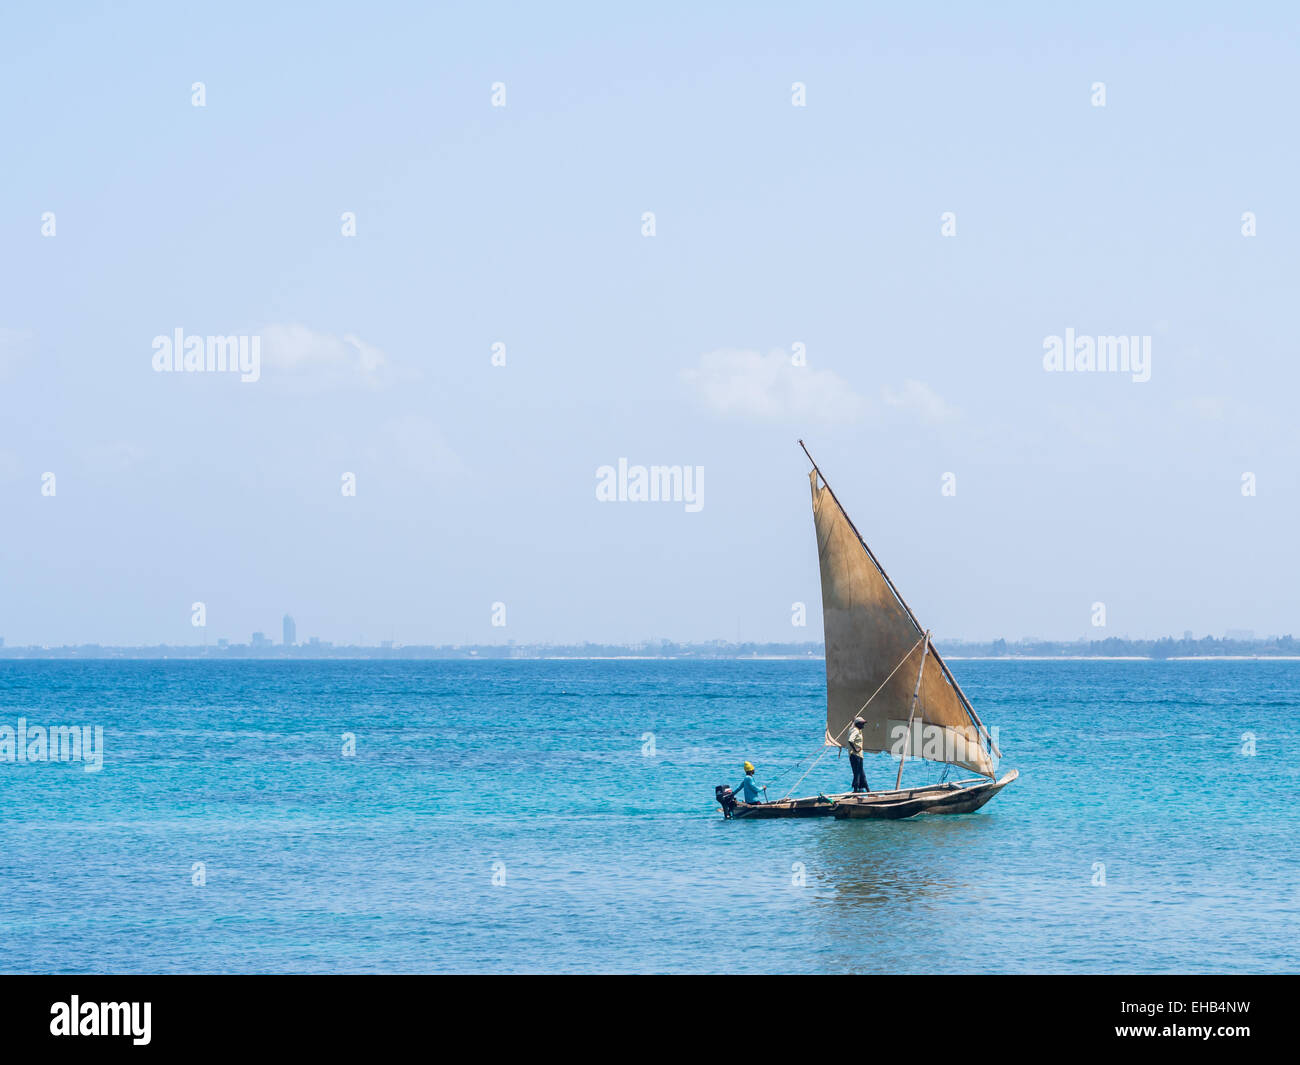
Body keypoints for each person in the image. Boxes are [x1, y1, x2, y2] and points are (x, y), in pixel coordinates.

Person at [847, 717, 870, 793]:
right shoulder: (856, 731)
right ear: (858, 724)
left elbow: (852, 726)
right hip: (856, 755)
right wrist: (855, 749)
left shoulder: (855, 729)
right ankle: (856, 791)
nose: (864, 725)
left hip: (858, 756)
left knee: (861, 773)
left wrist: (853, 720)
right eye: (862, 724)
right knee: (857, 773)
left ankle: (868, 791)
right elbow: (850, 740)